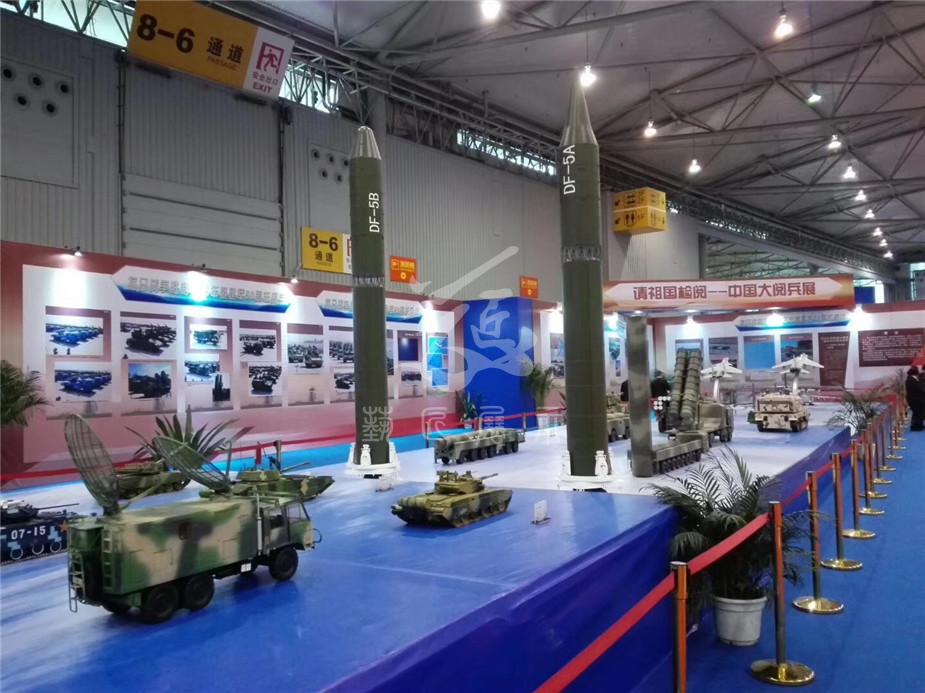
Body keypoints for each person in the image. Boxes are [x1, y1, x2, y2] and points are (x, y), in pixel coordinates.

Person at [906, 366, 925, 431]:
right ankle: (916, 426)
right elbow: (919, 388)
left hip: (917, 399)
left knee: (918, 412)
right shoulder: (911, 379)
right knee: (917, 412)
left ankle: (919, 425)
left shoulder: (913, 379)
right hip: (914, 399)